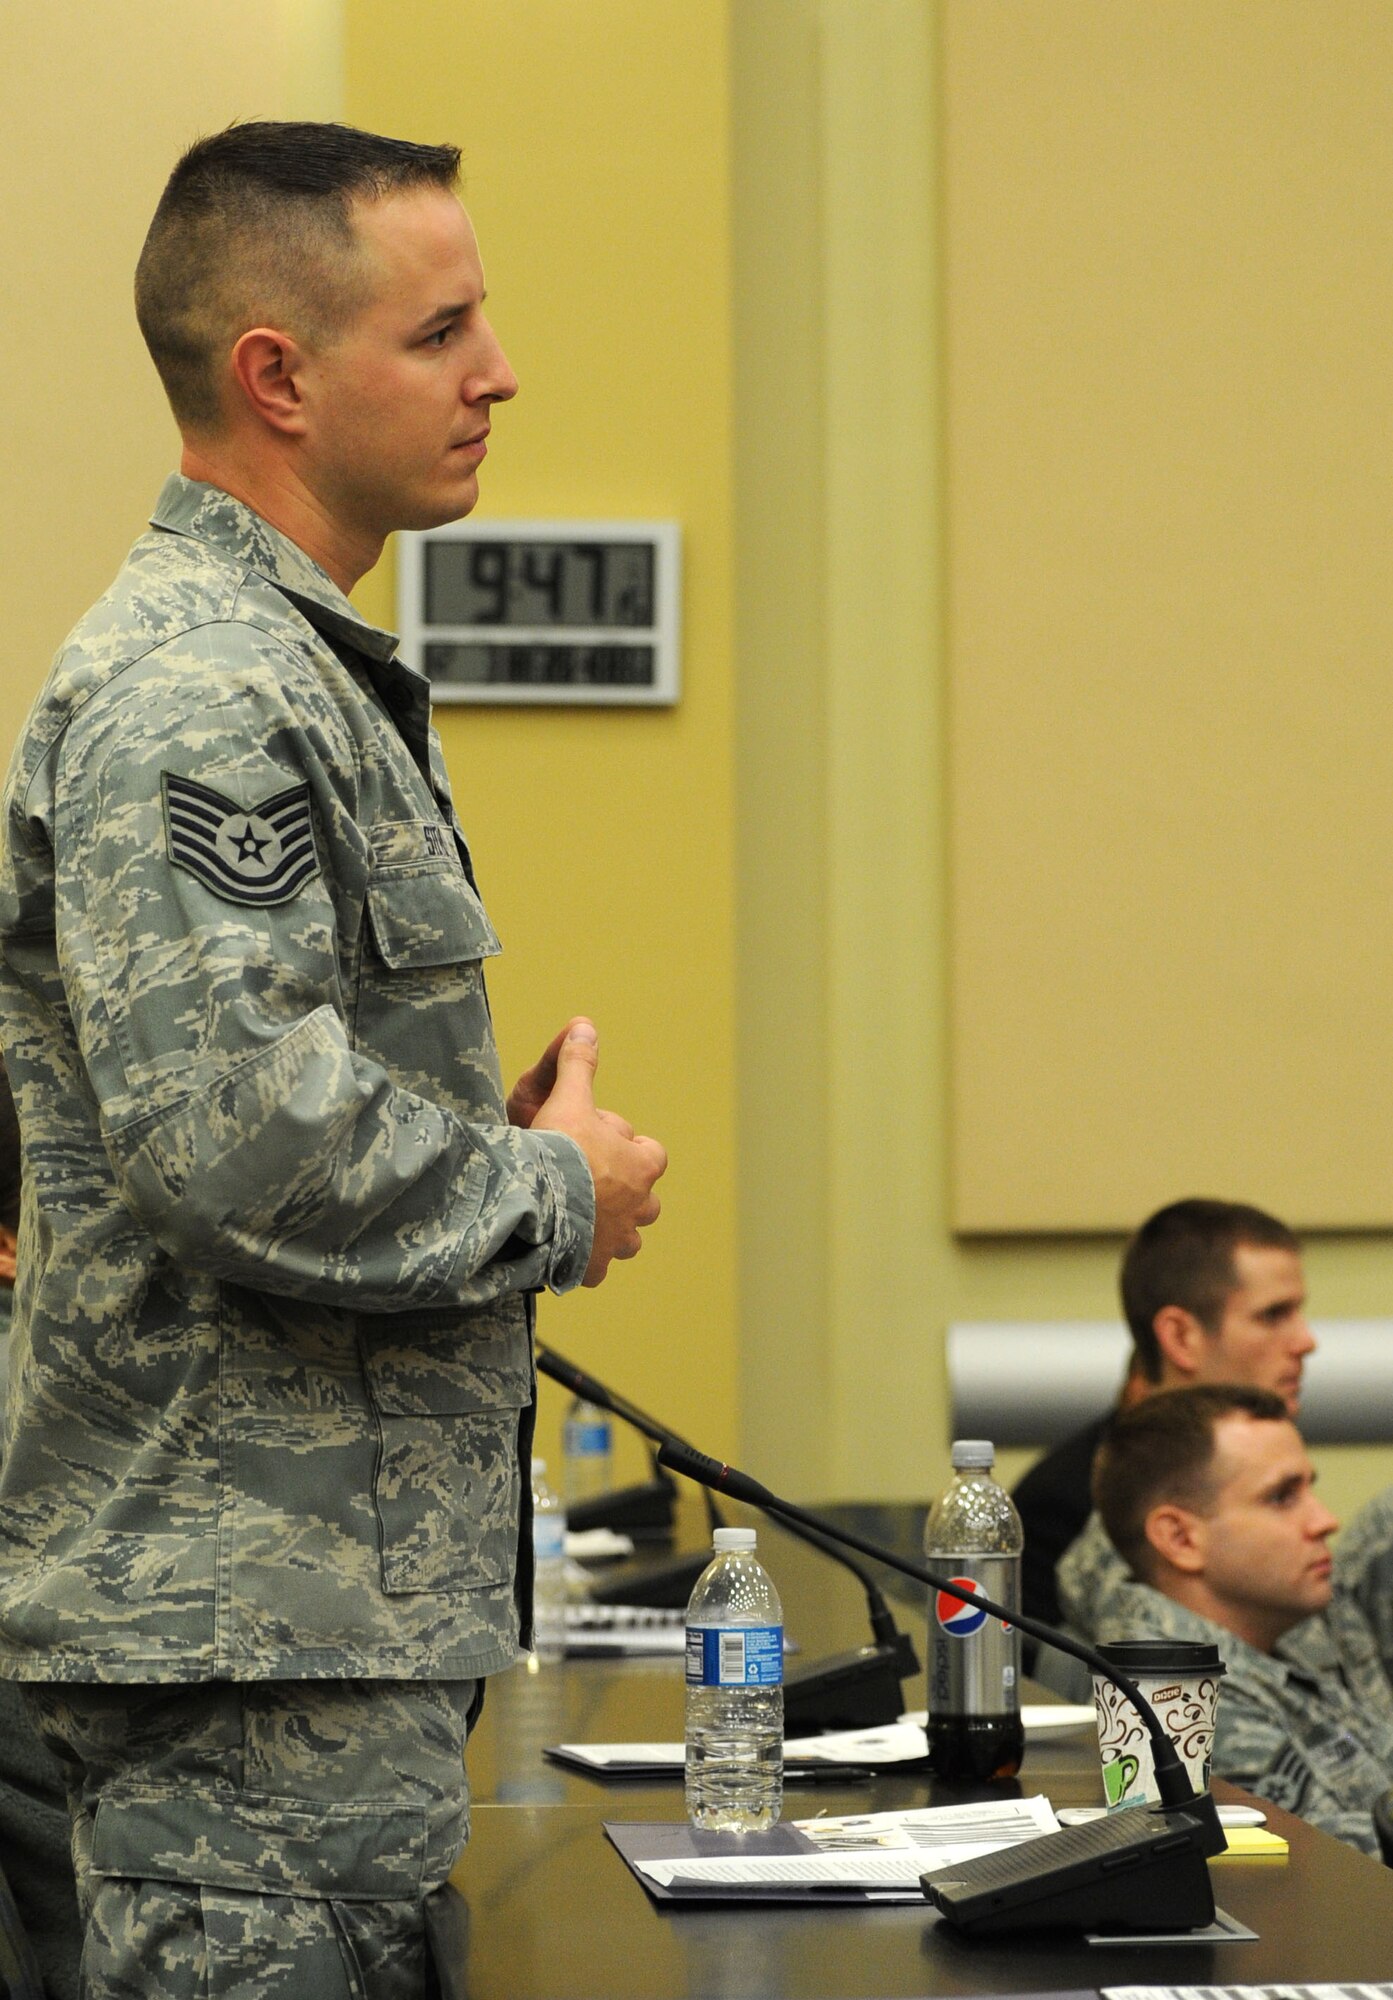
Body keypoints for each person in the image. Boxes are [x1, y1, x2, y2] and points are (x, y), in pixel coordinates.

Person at [0, 120, 667, 1998]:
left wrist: (463, 1133)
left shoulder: (290, 664)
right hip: (240, 1649)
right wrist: (553, 1189)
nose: (497, 371)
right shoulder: (201, 688)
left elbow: (256, 1087)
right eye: (439, 330)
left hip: (301, 1630)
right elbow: (236, 1138)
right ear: (276, 378)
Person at [1089, 1385, 1393, 1857]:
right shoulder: (1175, 1701)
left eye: (1309, 1489)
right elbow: (1340, 1867)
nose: (1325, 1521)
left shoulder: (1293, 1631)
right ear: (1181, 1539)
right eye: (1282, 1497)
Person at [1014, 1197, 1314, 1633]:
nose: (1306, 1341)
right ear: (1181, 1337)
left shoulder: (1274, 1457)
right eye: (1273, 1315)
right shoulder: (1063, 1507)